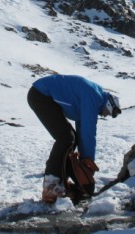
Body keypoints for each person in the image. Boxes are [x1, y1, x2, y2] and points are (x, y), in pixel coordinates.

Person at [27, 74, 121, 204]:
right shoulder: (94, 97)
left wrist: (83, 159)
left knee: (71, 138)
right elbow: (89, 131)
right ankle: (51, 187)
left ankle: (61, 181)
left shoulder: (93, 96)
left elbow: (82, 131)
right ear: (109, 104)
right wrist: (88, 162)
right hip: (41, 95)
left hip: (41, 93)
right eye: (109, 113)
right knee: (66, 138)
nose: (105, 115)